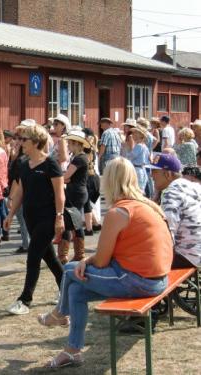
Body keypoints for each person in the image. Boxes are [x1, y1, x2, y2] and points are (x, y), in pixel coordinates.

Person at [37, 157, 173, 369]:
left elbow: (101, 261)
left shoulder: (118, 212)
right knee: (75, 291)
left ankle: (59, 315)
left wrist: (85, 261)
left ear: (108, 181)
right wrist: (87, 260)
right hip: (157, 279)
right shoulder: (147, 205)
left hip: (138, 280)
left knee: (70, 270)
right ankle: (73, 351)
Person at [3, 124, 65, 315]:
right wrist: (11, 214)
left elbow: (59, 194)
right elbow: (20, 191)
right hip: (31, 218)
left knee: (33, 256)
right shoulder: (23, 164)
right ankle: (68, 289)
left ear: (36, 143)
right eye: (20, 139)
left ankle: (25, 300)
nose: (20, 143)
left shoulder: (50, 164)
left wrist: (59, 218)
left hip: (47, 218)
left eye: (24, 140)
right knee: (51, 258)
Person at [148, 153, 201, 268]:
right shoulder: (194, 186)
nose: (151, 176)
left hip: (187, 256)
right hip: (196, 252)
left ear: (167, 174)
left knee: (131, 259)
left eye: (155, 172)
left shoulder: (171, 192)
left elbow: (166, 234)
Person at [58, 130, 90, 264]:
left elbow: (65, 176)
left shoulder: (79, 158)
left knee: (70, 223)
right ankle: (76, 254)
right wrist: (67, 179)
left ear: (77, 144)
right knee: (73, 223)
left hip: (76, 193)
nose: (68, 146)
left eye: (70, 143)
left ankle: (67, 255)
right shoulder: (79, 157)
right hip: (76, 191)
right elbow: (67, 178)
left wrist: (66, 179)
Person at [7, 121, 33, 254]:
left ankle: (26, 245)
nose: (15, 140)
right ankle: (28, 243)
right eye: (15, 138)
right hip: (25, 192)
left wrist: (11, 198)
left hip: (20, 194)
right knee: (25, 220)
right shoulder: (23, 157)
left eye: (18, 138)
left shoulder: (22, 160)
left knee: (23, 220)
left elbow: (17, 181)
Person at [82, 128, 101, 236]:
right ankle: (95, 224)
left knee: (87, 203)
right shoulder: (93, 148)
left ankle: (90, 228)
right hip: (93, 178)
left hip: (89, 178)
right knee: (88, 203)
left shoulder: (87, 148)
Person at [123, 125, 150, 193]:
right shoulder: (144, 146)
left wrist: (127, 150)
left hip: (137, 168)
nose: (133, 135)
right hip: (142, 168)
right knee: (141, 188)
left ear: (139, 135)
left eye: (135, 133)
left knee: (137, 189)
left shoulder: (138, 146)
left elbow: (131, 156)